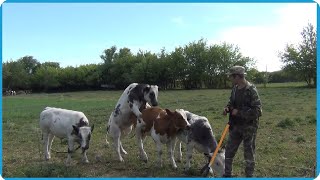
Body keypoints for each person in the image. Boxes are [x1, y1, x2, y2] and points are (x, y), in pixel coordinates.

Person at [222, 66, 262, 177]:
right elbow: (231, 103)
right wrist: (227, 108)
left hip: (248, 128)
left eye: (232, 76)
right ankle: (227, 174)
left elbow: (258, 111)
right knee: (229, 151)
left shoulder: (251, 90)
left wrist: (239, 112)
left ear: (238, 76)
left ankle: (249, 176)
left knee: (248, 154)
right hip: (235, 126)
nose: (230, 78)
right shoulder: (235, 88)